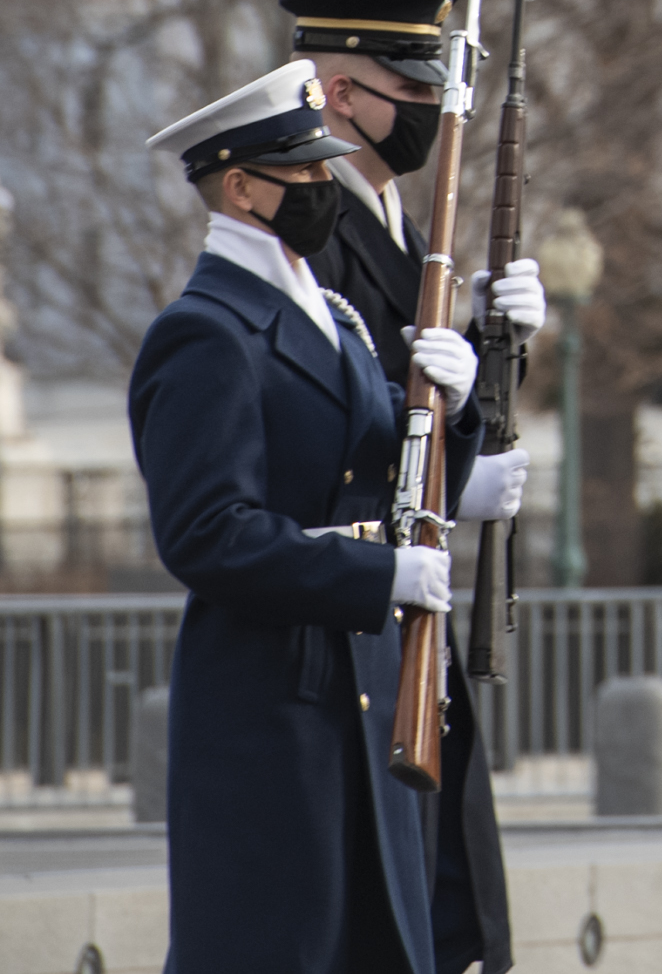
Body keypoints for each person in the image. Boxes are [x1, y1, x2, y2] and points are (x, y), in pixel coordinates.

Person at [131, 61, 483, 974]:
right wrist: (375, 574)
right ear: (241, 185)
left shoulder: (328, 313)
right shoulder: (206, 329)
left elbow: (393, 475)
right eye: (306, 172)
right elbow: (206, 532)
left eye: (328, 168)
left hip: (360, 682)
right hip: (272, 697)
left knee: (380, 946)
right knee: (279, 944)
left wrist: (460, 402)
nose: (327, 187)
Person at [281, 0, 545, 974]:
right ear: (342, 93)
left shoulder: (395, 229)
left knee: (446, 913)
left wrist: (492, 337)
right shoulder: (314, 236)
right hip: (357, 623)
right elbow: (332, 431)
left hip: (407, 616)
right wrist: (452, 483)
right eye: (411, 86)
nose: (431, 109)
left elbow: (421, 386)